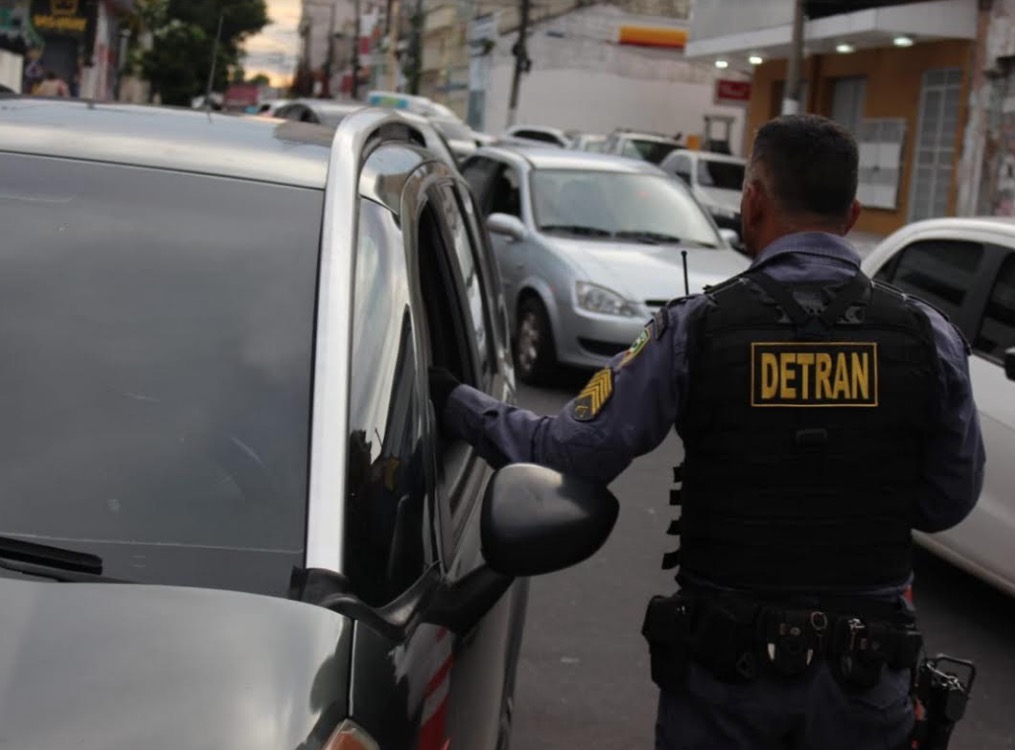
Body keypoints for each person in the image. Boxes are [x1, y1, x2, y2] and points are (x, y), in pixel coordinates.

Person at [428, 114, 985, 750]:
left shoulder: (696, 329)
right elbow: (948, 502)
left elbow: (567, 452)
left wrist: (451, 399)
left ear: (753, 202)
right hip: (866, 686)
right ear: (853, 214)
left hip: (728, 685)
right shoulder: (928, 337)